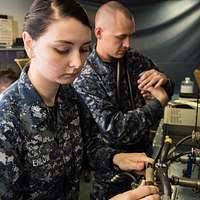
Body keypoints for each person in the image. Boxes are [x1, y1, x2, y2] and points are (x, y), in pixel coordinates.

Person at [0, 0, 160, 200]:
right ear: (29, 44)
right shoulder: (7, 118)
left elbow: (89, 146)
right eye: (62, 49)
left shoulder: (71, 97)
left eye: (84, 49)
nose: (77, 63)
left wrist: (115, 158)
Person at [73, 1, 174, 199]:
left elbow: (166, 85)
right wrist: (157, 104)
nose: (128, 44)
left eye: (130, 36)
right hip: (111, 174)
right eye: (121, 37)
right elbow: (117, 130)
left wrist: (164, 80)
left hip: (144, 160)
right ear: (99, 33)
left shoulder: (133, 58)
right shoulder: (86, 75)